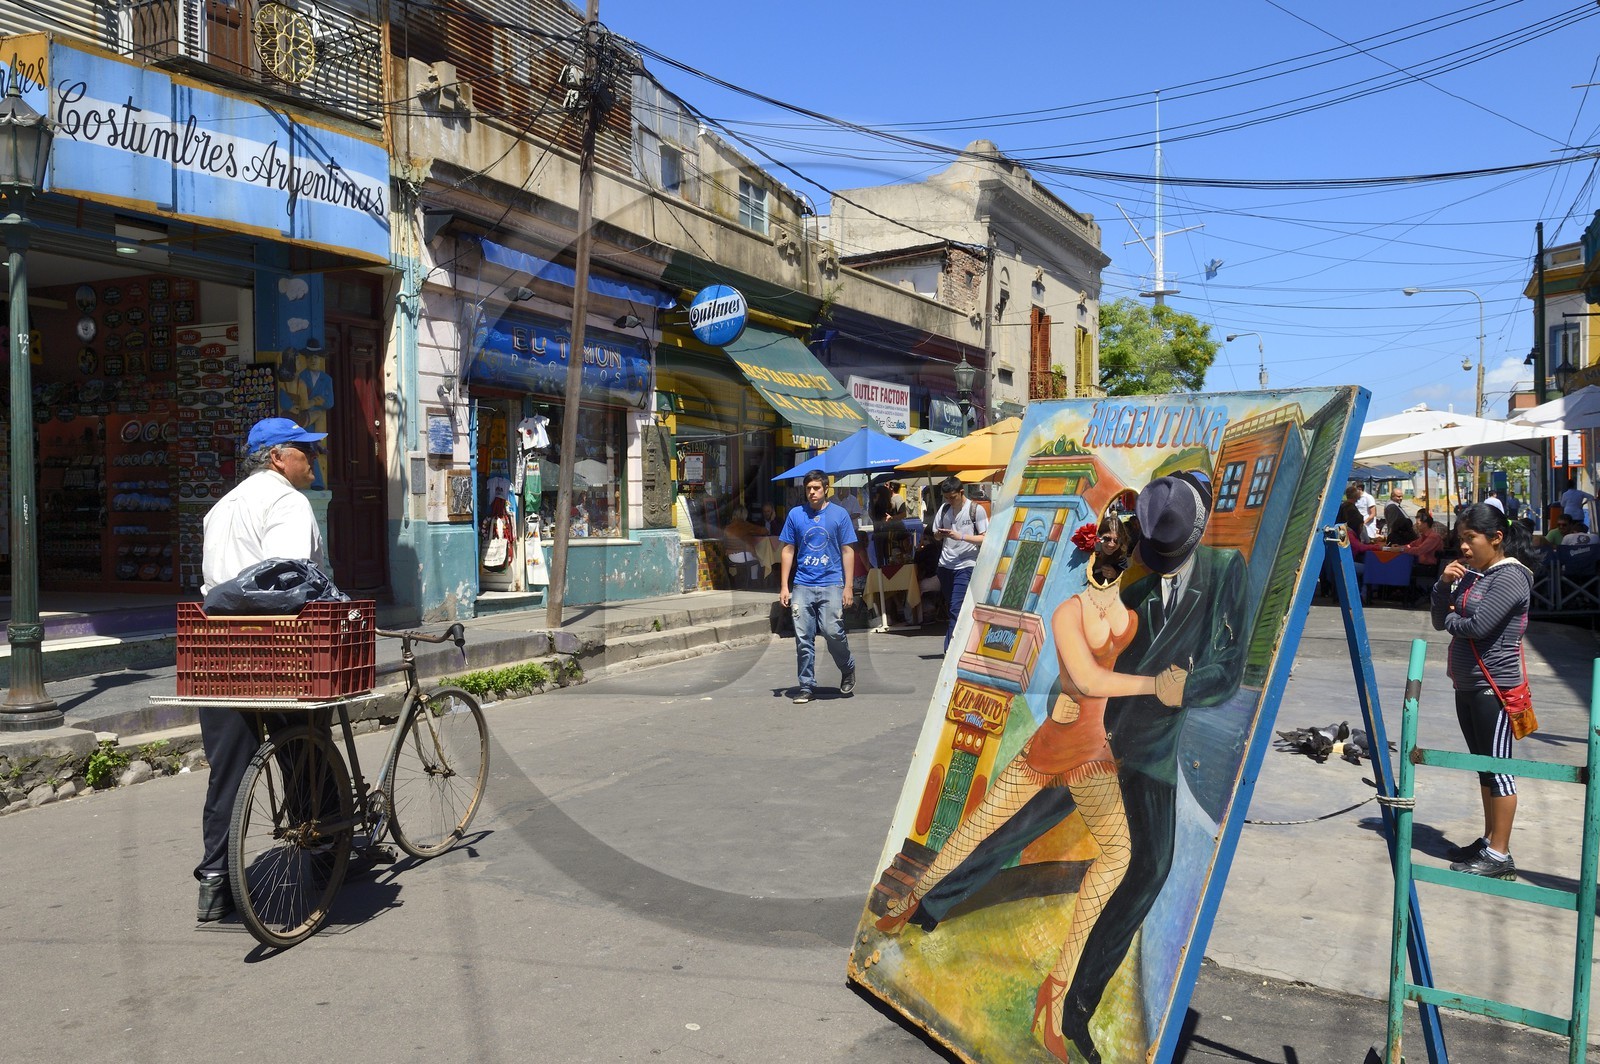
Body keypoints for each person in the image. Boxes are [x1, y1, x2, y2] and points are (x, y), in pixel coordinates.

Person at [899, 470, 1249, 1064]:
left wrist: (1180, 690)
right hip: (1094, 732)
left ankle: (1075, 1006)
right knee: (1024, 818)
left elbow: (1229, 665)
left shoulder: (1225, 572)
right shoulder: (1132, 579)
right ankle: (930, 904)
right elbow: (1088, 641)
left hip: (1153, 746)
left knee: (1151, 867)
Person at [194, 417, 328, 922]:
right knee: (306, 745)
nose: (312, 460)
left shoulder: (221, 505)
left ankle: (213, 882)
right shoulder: (287, 501)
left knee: (228, 769)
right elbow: (290, 579)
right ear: (277, 457)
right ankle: (328, 849)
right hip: (277, 647)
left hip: (217, 651)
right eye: (304, 451)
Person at [1429, 502, 1537, 880]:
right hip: (1469, 684)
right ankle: (1490, 839)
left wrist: (1453, 617)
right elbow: (1439, 620)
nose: (1464, 547)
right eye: (1461, 539)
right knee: (1483, 767)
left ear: (1496, 538)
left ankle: (1500, 853)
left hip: (1497, 687)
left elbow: (1478, 626)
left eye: (1470, 538)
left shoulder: (1510, 577)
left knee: (1499, 769)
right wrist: (1444, 585)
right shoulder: (1474, 574)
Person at [778, 471, 857, 704]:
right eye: (809, 488)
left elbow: (848, 551)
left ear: (826, 489)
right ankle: (806, 685)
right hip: (803, 583)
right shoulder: (795, 514)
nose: (812, 492)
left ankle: (847, 667)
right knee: (803, 637)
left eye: (817, 488)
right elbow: (787, 550)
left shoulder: (839, 515)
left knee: (833, 631)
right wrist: (784, 586)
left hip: (832, 582)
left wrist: (848, 587)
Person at [931, 477, 989, 651]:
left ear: (961, 492)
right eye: (946, 497)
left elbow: (985, 538)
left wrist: (961, 536)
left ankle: (950, 650)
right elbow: (935, 534)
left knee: (956, 608)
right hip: (945, 565)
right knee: (953, 608)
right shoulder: (944, 509)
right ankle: (961, 645)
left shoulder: (975, 510)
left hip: (966, 564)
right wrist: (940, 535)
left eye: (952, 497)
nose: (949, 500)